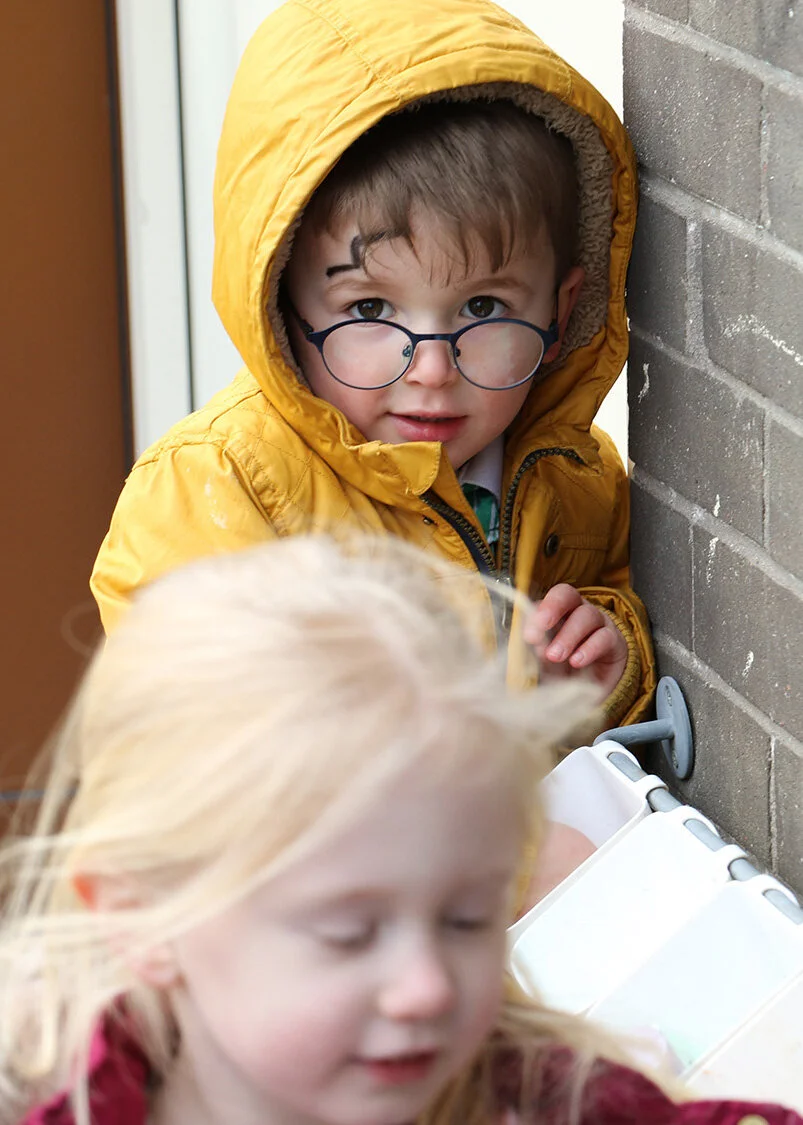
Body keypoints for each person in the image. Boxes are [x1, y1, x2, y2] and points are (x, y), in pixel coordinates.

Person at [3, 538, 797, 1125]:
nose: (429, 986)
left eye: (470, 917)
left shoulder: (533, 1099)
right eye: (348, 931)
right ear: (142, 914)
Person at [90, 0, 655, 730]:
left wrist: (607, 663)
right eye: (368, 309)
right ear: (278, 303)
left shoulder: (578, 477)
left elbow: (620, 602)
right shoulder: (218, 485)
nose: (431, 368)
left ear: (558, 311)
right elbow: (188, 728)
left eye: (482, 307)